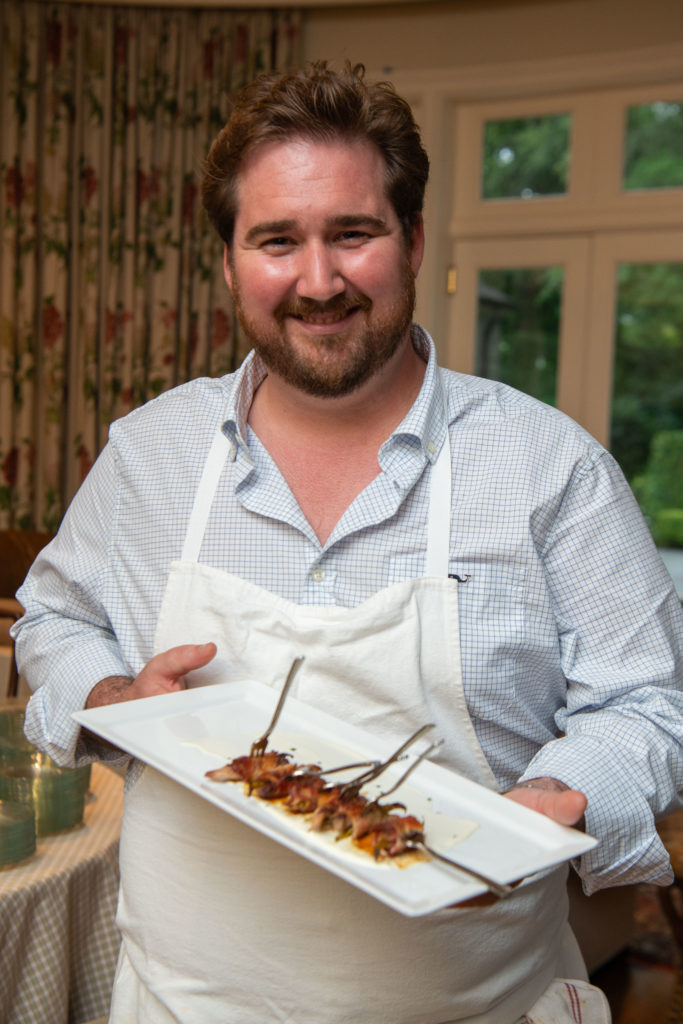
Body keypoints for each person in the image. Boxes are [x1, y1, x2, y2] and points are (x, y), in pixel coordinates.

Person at [13, 61, 683, 1024]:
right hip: (182, 1005)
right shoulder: (149, 455)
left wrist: (553, 801)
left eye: (353, 234)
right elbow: (53, 619)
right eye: (277, 240)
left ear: (411, 240)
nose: (317, 281)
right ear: (232, 259)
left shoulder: (551, 471)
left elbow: (649, 704)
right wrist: (117, 697)